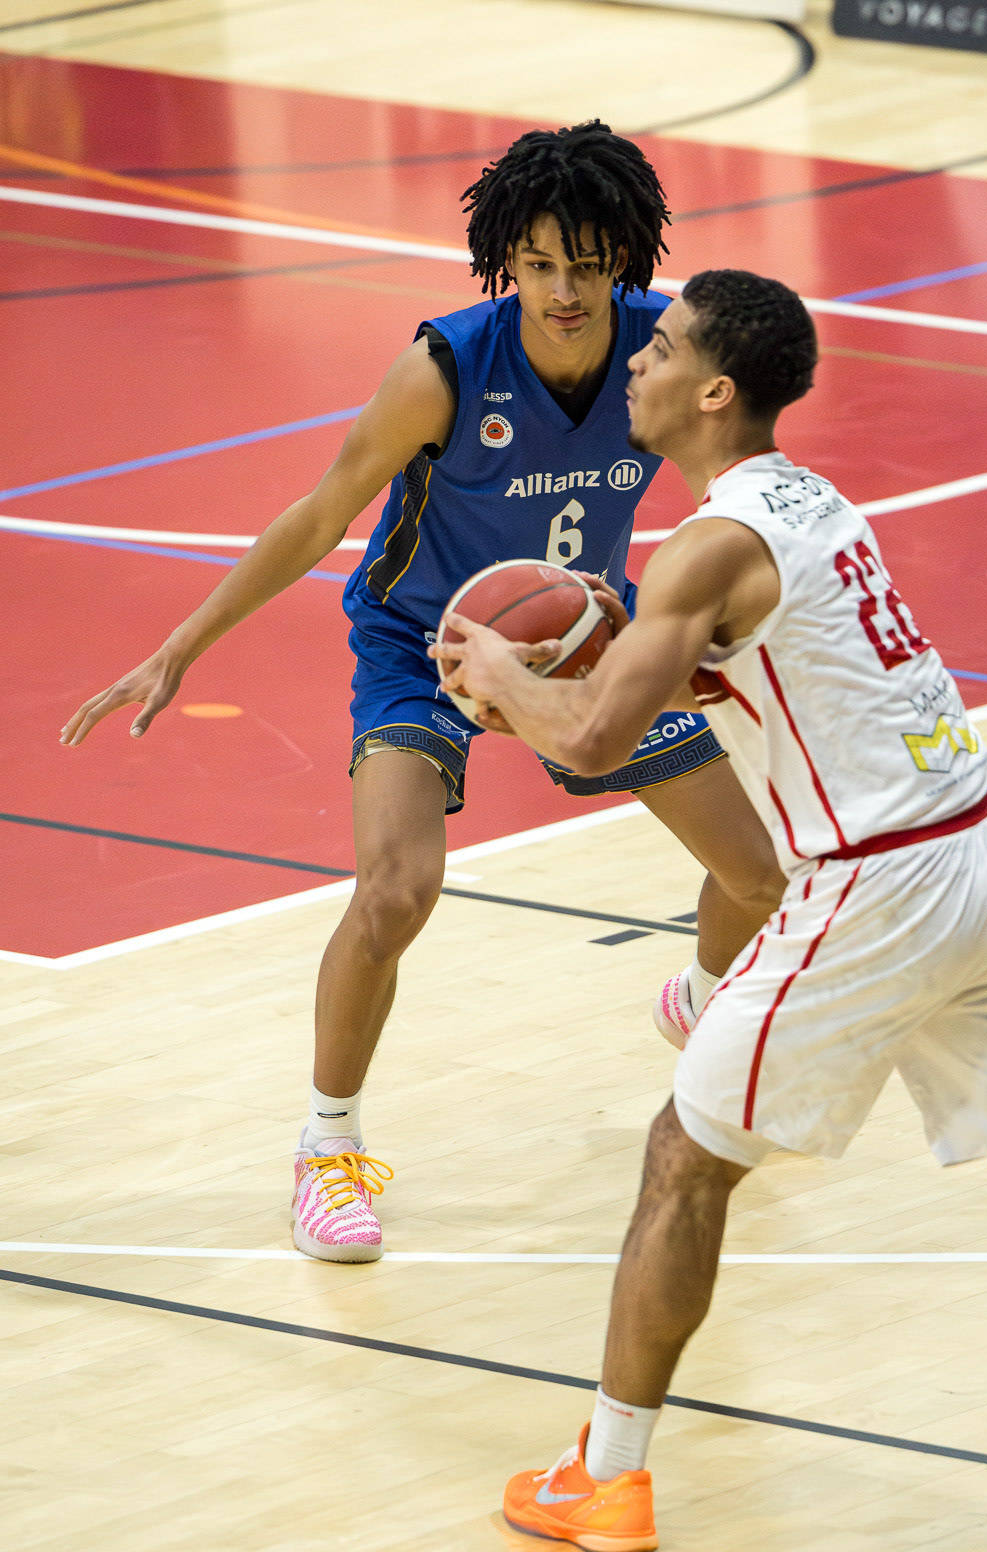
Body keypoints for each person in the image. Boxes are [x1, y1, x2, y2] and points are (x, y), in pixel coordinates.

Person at [437, 267, 987, 1552]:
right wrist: (621, 666)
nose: (639, 361)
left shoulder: (705, 547)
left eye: (663, 348)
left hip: (881, 885)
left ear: (714, 391)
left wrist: (507, 675)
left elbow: (597, 740)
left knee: (682, 1160)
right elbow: (748, 674)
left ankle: (604, 1481)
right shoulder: (811, 504)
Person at [60, 124, 784, 1264]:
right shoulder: (445, 370)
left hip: (584, 639)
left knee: (763, 874)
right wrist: (182, 645)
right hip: (427, 646)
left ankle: (700, 1003)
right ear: (507, 262)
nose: (563, 291)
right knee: (396, 892)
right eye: (538, 265)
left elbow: (741, 485)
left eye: (587, 265)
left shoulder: (665, 354)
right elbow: (320, 513)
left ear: (625, 258)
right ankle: (327, 1147)